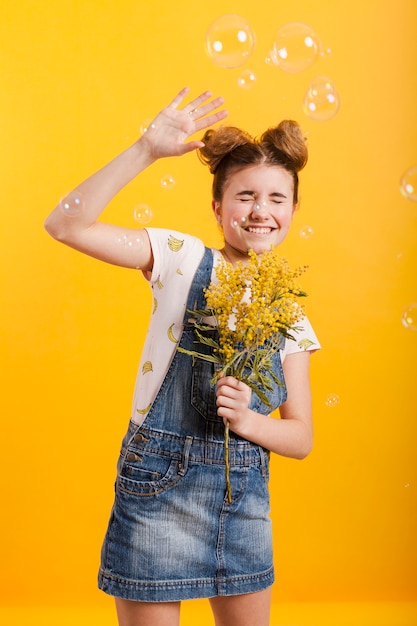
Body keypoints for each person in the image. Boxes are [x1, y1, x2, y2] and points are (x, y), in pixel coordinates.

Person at [45, 87, 320, 626]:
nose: (260, 210)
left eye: (276, 198)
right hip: (157, 490)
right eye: (244, 196)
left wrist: (248, 421)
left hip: (242, 507)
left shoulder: (292, 316)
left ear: (292, 210)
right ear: (217, 206)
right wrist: (146, 149)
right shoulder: (181, 257)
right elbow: (65, 226)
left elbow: (302, 437)